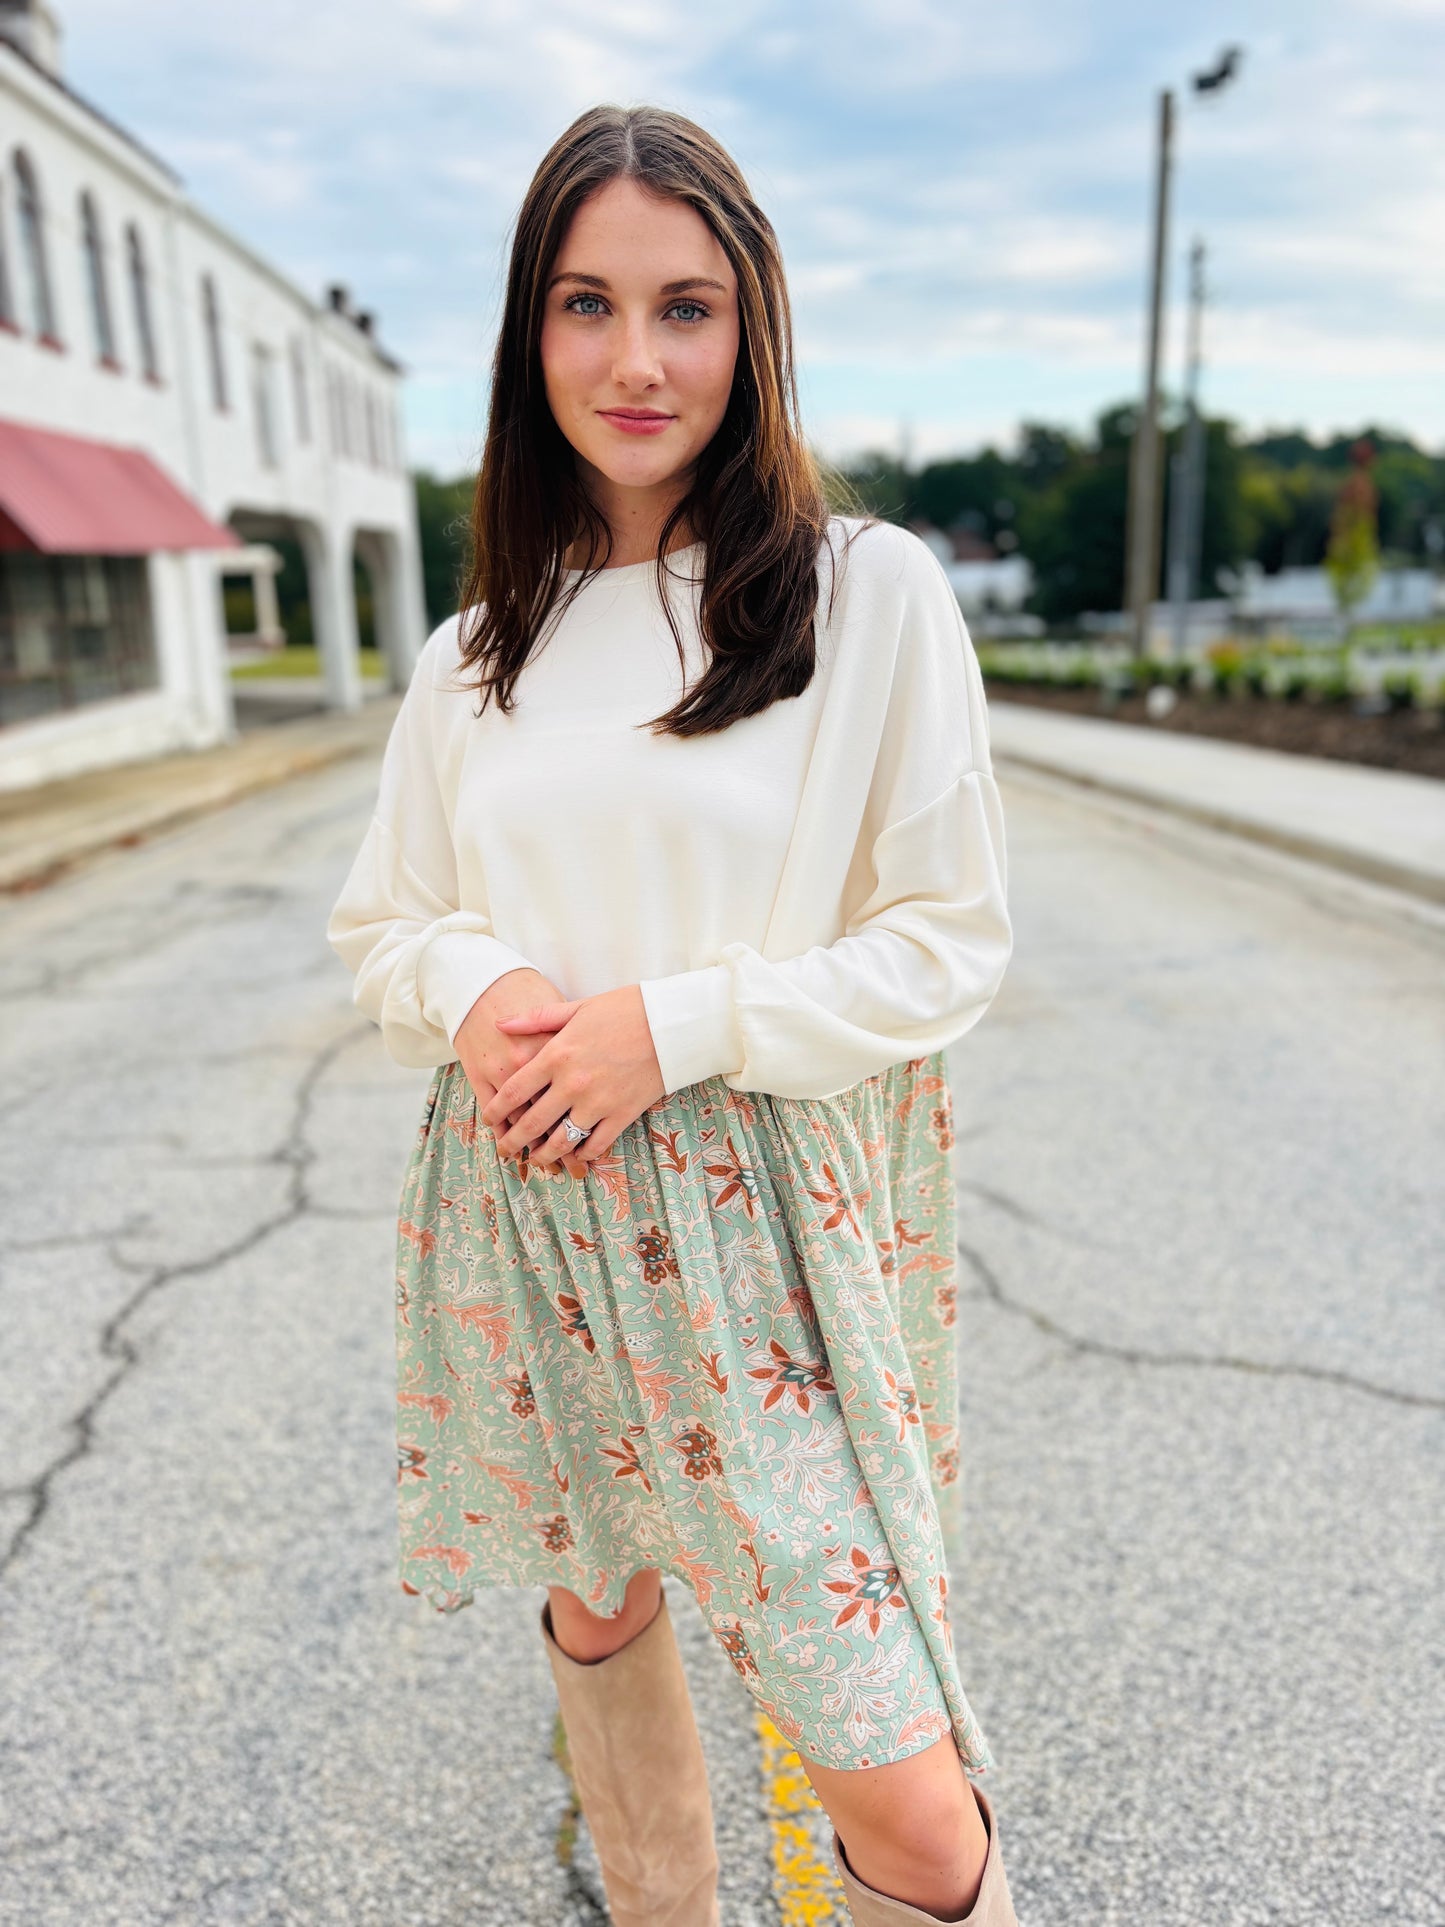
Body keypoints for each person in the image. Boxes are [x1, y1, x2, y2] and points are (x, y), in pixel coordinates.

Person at [326, 103, 1018, 1927]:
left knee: (908, 1804)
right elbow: (385, 921)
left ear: (751, 329)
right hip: (533, 1217)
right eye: (584, 303)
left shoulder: (861, 595)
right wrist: (477, 987)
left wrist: (677, 1024)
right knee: (598, 1605)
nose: (634, 360)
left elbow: (948, 942)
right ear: (525, 333)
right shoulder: (477, 651)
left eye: (685, 307)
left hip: (758, 1239)